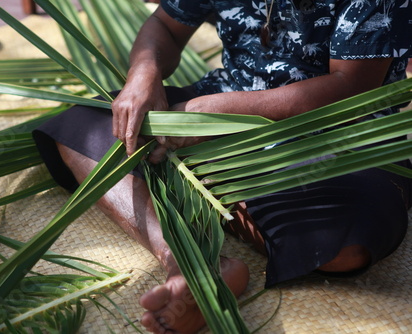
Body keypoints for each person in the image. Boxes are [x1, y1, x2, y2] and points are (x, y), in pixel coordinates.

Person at [33, 0, 412, 333]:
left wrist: (214, 114)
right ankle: (190, 259)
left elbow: (350, 86)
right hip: (221, 101)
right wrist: (143, 74)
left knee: (347, 243)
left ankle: (190, 183)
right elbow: (165, 25)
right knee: (81, 126)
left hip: (337, 139)